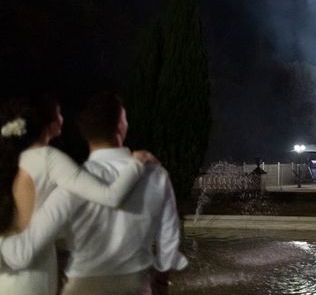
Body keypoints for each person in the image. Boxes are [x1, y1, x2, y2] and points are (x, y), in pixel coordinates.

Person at [0, 91, 187, 295]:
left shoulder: (18, 163)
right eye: (59, 112)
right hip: (131, 284)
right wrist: (137, 163)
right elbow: (166, 231)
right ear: (121, 127)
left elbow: (54, 223)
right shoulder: (155, 175)